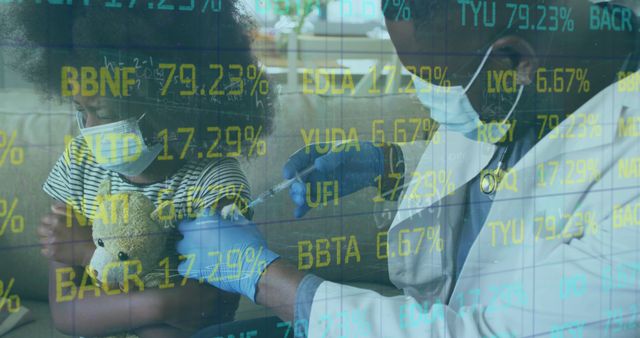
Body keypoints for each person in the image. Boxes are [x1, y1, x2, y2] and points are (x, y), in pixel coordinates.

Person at [178, 0, 640, 337]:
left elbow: (493, 333)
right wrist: (388, 166)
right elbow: (505, 174)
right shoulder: (526, 80)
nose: (429, 100)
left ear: (516, 61)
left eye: (439, 84)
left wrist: (268, 280)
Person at [0, 2, 276, 337]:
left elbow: (205, 308)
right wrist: (161, 304)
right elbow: (66, 314)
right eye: (80, 110)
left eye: (102, 110)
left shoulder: (214, 182)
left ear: (170, 105)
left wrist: (89, 254)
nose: (89, 127)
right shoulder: (80, 164)